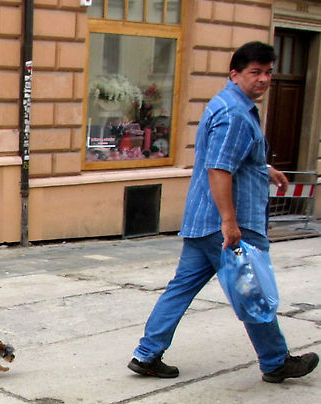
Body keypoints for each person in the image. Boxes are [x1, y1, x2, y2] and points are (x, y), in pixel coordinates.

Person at [128, 42, 318, 384]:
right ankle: (275, 361)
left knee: (181, 288)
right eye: (255, 72)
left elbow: (230, 158)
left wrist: (263, 167)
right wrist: (230, 224)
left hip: (202, 221)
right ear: (236, 74)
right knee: (252, 290)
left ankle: (146, 353)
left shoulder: (226, 104)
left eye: (268, 73)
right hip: (229, 224)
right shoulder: (235, 114)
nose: (263, 80)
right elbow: (219, 169)